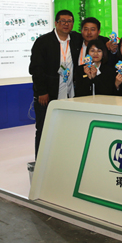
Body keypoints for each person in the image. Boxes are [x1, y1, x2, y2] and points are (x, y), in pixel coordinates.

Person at [29, 10, 82, 157]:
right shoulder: (43, 42)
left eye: (69, 21)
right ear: (56, 23)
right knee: (44, 129)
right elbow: (36, 69)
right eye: (62, 21)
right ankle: (41, 162)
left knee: (67, 129)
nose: (66, 24)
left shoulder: (76, 39)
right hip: (48, 95)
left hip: (70, 95)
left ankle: (61, 159)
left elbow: (93, 39)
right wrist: (42, 91)